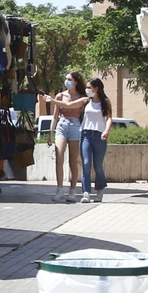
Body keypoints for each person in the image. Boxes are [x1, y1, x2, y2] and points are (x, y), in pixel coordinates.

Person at [42, 72, 90, 204]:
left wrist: (51, 100)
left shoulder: (81, 97)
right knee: (59, 157)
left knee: (73, 161)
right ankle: (59, 190)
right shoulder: (60, 95)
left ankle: (72, 191)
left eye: (69, 79)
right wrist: (50, 133)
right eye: (66, 79)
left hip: (75, 125)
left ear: (75, 82)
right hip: (62, 125)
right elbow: (55, 116)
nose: (67, 81)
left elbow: (70, 105)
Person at [79, 77, 112, 203]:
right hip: (86, 134)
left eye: (89, 87)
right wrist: (54, 101)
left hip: (99, 135)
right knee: (86, 163)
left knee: (98, 165)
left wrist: (106, 131)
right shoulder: (86, 101)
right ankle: (86, 193)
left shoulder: (105, 102)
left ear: (96, 89)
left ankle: (99, 190)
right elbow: (69, 105)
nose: (87, 90)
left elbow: (109, 118)